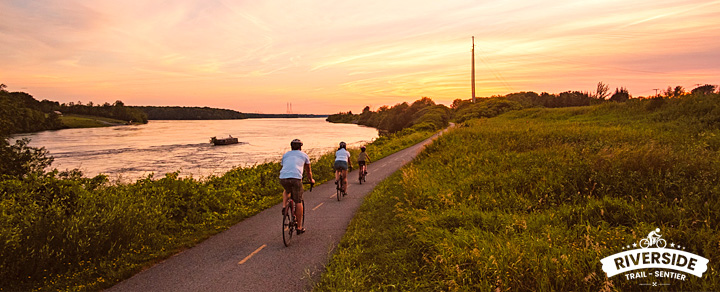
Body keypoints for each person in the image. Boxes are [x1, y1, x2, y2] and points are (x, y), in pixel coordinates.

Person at [279, 139, 314, 234]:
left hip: (283, 178)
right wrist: (311, 180)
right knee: (298, 201)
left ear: (291, 147)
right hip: (296, 179)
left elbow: (283, 165)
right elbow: (308, 171)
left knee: (287, 190)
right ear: (300, 147)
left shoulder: (286, 154)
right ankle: (299, 227)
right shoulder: (304, 155)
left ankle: (284, 206)